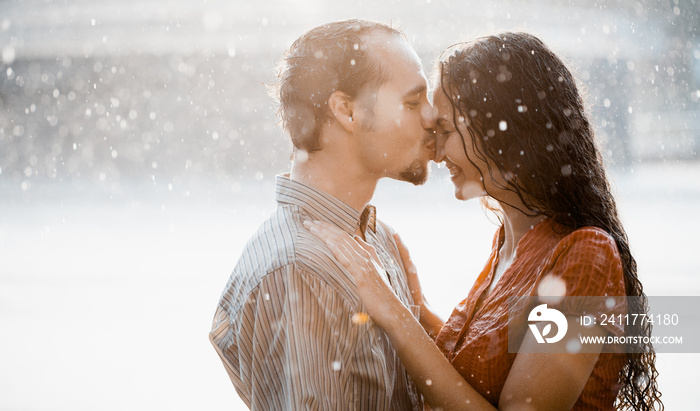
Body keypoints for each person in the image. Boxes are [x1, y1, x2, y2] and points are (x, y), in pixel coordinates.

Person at [306, 32, 663, 410]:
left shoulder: (586, 255)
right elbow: (487, 371)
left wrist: (393, 314)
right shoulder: (507, 242)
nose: (437, 152)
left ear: (503, 128)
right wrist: (417, 309)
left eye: (445, 131)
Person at [209, 19, 435, 410]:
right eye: (413, 103)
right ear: (346, 111)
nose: (432, 117)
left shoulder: (376, 238)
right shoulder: (299, 271)